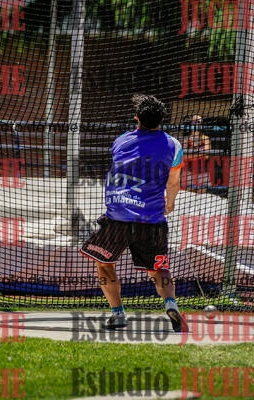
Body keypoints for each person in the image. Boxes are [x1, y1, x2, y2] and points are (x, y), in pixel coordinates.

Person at [79, 94, 187, 332]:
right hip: (153, 218)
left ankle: (118, 314)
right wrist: (170, 203)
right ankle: (171, 303)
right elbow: (173, 182)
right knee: (159, 268)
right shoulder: (174, 145)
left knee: (104, 264)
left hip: (118, 216)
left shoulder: (121, 141)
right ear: (162, 119)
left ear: (136, 117)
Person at [182, 115, 212, 192]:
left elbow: (206, 156)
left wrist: (192, 154)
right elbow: (185, 157)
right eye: (194, 122)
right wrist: (200, 153)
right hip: (189, 171)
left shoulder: (205, 138)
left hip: (202, 171)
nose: (197, 124)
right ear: (191, 123)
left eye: (199, 122)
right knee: (188, 195)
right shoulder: (186, 139)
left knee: (202, 195)